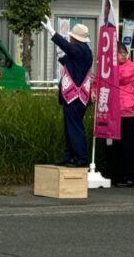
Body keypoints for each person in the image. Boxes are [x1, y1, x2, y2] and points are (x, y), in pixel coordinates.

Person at [42, 17, 92, 168]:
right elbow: (69, 60)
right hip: (74, 96)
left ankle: (80, 158)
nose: (69, 38)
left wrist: (52, 31)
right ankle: (70, 155)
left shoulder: (80, 49)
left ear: (75, 38)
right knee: (70, 127)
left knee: (74, 127)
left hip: (75, 96)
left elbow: (67, 48)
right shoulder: (83, 51)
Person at [110, 44, 134, 187]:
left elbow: (121, 78)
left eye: (124, 53)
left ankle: (132, 177)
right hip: (113, 110)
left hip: (127, 110)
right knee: (116, 145)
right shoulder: (109, 67)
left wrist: (110, 69)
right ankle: (118, 175)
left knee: (128, 145)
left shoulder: (130, 66)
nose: (123, 55)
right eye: (119, 53)